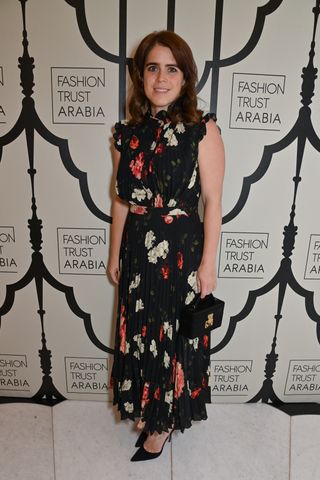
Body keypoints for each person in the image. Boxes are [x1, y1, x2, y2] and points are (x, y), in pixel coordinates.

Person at [107, 30, 225, 462]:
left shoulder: (202, 129)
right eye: (152, 67)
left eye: (171, 68)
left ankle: (162, 421)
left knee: (173, 335)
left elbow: (212, 201)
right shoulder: (125, 134)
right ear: (141, 75)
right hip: (138, 251)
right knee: (141, 332)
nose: (161, 78)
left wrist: (208, 263)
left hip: (180, 252)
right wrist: (114, 251)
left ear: (185, 76)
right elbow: (122, 199)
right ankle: (149, 406)